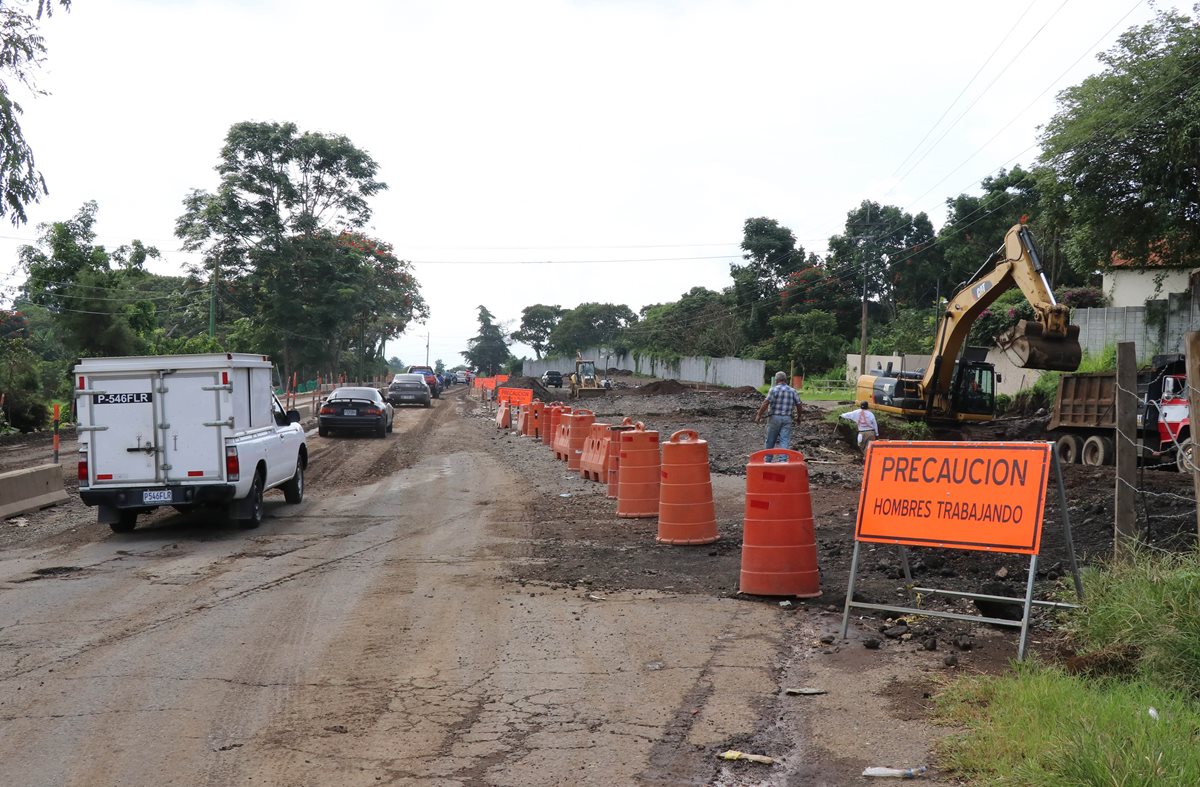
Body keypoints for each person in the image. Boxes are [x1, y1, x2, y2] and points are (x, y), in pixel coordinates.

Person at [754, 371, 802, 462]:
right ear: (785, 380)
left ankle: (768, 460)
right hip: (787, 418)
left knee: (770, 439)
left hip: (774, 418)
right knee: (784, 439)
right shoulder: (792, 391)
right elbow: (799, 405)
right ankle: (783, 460)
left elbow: (766, 402)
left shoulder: (773, 390)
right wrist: (799, 417)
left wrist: (759, 415)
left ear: (777, 380)